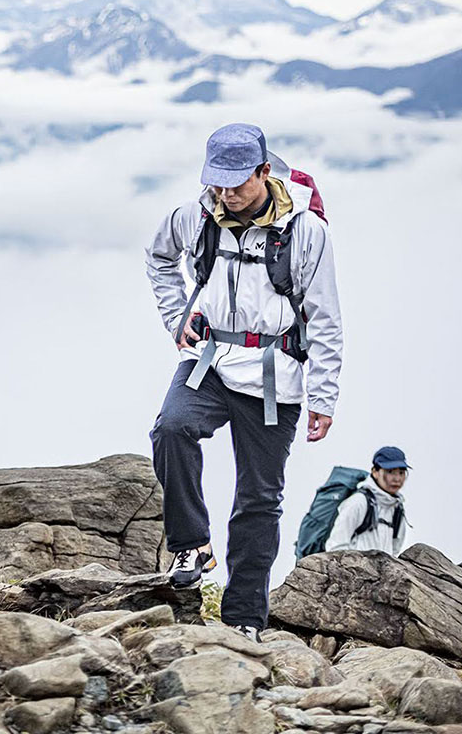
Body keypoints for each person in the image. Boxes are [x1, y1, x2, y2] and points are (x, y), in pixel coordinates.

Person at [146, 122, 343, 641]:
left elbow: (324, 317)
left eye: (237, 183)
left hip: (276, 375)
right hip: (209, 358)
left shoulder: (305, 231)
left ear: (263, 171)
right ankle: (191, 543)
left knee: (258, 498)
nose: (227, 195)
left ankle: (243, 620)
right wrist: (176, 318)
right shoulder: (195, 216)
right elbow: (159, 258)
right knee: (171, 429)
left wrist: (323, 396)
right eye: (218, 183)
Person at [325, 446, 409, 555]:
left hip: (381, 572)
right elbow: (336, 546)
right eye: (390, 472)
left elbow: (394, 550)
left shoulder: (397, 508)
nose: (397, 479)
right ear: (375, 472)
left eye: (401, 473)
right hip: (353, 570)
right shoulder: (359, 502)